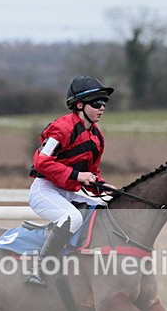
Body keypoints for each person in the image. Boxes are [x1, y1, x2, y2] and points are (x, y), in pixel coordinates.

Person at [25, 75, 116, 287]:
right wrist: (77, 176)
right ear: (79, 105)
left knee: (104, 213)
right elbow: (41, 162)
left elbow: (92, 174)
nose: (102, 108)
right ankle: (38, 270)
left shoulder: (97, 137)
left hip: (67, 192)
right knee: (72, 218)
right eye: (96, 104)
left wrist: (104, 187)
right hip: (44, 190)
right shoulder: (61, 128)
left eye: (104, 104)